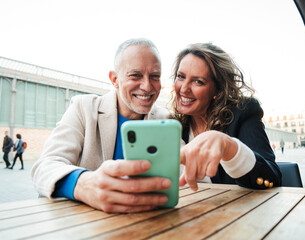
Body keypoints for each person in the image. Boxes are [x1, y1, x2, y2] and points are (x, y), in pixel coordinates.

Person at [31, 38, 171, 213]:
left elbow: (186, 174)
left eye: (155, 76)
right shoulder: (83, 108)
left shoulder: (166, 120)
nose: (147, 86)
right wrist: (85, 185)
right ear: (114, 79)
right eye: (135, 75)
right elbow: (44, 168)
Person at [171, 43, 282, 191]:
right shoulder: (175, 126)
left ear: (218, 88)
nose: (184, 89)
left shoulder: (243, 112)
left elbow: (272, 179)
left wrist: (229, 147)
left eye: (198, 81)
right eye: (180, 77)